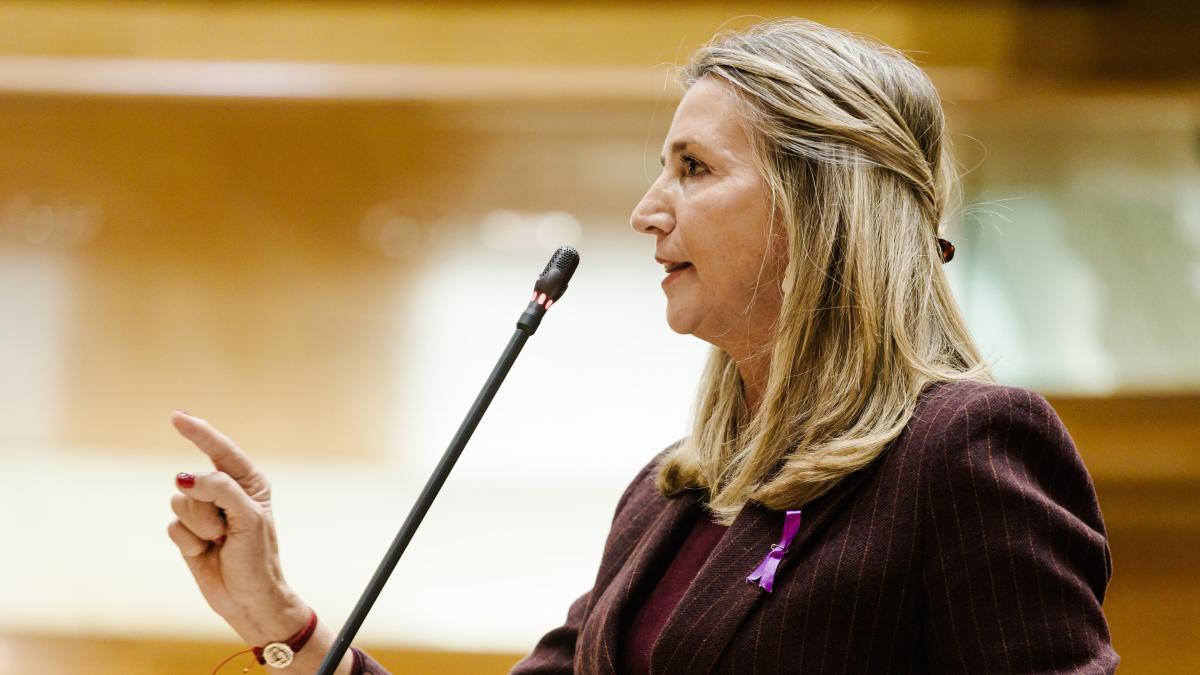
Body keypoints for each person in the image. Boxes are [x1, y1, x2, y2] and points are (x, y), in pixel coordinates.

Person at [166, 18, 1118, 674]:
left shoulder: (962, 451)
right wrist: (278, 618)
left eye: (693, 168)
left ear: (820, 204)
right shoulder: (669, 494)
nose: (646, 210)